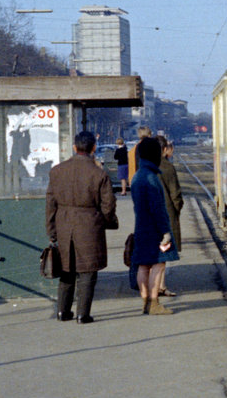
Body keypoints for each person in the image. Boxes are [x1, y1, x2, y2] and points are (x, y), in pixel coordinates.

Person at [45, 130, 118, 324]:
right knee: (87, 270)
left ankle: (62, 311)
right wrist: (105, 221)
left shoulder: (57, 171)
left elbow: (50, 204)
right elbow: (108, 205)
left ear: (74, 148)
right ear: (94, 148)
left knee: (66, 268)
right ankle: (82, 314)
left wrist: (52, 231)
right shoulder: (99, 174)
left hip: (63, 223)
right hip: (89, 225)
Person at [131, 136, 178, 315]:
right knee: (159, 264)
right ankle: (154, 302)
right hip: (154, 229)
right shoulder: (151, 178)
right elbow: (158, 209)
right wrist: (165, 231)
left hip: (141, 226)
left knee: (143, 265)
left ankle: (144, 302)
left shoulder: (137, 176)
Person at [157, 135, 184, 298]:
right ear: (165, 149)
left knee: (157, 254)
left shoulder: (146, 167)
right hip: (166, 215)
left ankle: (159, 286)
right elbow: (176, 194)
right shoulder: (167, 167)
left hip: (150, 217)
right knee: (162, 254)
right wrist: (177, 210)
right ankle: (160, 286)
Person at [127, 126, 152, 291]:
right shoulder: (146, 149)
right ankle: (140, 279)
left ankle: (137, 276)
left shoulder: (132, 150)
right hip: (145, 194)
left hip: (136, 192)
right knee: (146, 239)